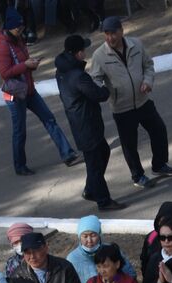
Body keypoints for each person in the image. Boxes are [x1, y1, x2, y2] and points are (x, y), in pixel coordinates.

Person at [91, 17, 172, 190]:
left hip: (143, 101)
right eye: (106, 34)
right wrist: (106, 91)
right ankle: (137, 175)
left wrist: (148, 81)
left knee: (159, 130)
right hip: (121, 107)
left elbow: (148, 65)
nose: (110, 38)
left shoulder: (136, 45)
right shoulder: (99, 55)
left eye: (113, 33)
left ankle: (159, 165)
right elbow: (95, 78)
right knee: (129, 145)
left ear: (121, 30)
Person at [0, 10, 80, 177]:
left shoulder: (18, 39)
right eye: (17, 28)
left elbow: (22, 62)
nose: (21, 31)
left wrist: (31, 64)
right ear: (10, 27)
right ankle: (20, 165)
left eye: (21, 27)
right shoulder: (4, 45)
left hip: (29, 90)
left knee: (49, 118)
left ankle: (67, 154)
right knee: (20, 131)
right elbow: (4, 72)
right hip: (16, 95)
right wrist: (26, 65)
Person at [56, 34, 126, 211]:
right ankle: (103, 200)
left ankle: (90, 189)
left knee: (102, 153)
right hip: (87, 124)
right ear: (77, 53)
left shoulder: (61, 71)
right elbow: (99, 95)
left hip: (80, 122)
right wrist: (105, 87)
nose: (85, 53)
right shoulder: (78, 75)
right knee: (95, 162)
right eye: (83, 50)